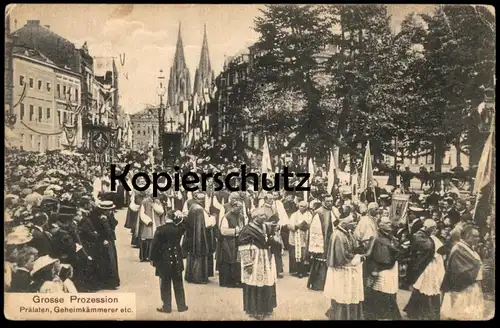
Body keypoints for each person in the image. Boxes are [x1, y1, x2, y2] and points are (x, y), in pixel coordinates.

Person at [238, 207, 278, 320]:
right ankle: (255, 310)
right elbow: (242, 246)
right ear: (255, 218)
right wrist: (247, 263)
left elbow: (268, 238)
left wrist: (273, 238)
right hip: (254, 260)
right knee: (254, 282)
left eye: (264, 215)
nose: (264, 217)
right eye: (262, 216)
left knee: (267, 281)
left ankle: (266, 308)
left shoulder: (264, 226)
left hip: (265, 257)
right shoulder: (247, 230)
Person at [324, 213, 365, 320]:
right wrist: (356, 258)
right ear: (344, 223)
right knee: (342, 295)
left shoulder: (347, 233)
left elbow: (352, 248)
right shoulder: (337, 235)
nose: (354, 225)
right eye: (352, 223)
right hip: (341, 269)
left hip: (349, 267)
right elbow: (340, 258)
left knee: (348, 294)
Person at [441, 225, 485, 320]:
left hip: (471, 287)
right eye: (476, 236)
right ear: (468, 237)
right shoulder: (458, 249)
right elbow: (460, 271)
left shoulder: (468, 248)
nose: (478, 239)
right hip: (463, 289)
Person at [403, 219, 445, 320]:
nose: (434, 231)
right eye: (432, 229)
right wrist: (433, 240)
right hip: (423, 265)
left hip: (429, 264)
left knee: (423, 287)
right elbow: (429, 246)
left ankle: (414, 310)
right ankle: (420, 312)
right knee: (425, 287)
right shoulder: (419, 235)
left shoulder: (427, 235)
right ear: (428, 228)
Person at [150, 209, 188, 314]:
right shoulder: (179, 229)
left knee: (165, 285)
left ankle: (166, 307)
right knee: (178, 284)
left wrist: (152, 259)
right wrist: (182, 218)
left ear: (166, 217)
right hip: (176, 260)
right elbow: (185, 224)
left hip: (163, 261)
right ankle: (182, 306)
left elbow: (154, 246)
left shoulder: (160, 229)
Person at [364, 216, 402, 320]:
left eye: (390, 222)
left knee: (391, 291)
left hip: (391, 267)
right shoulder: (375, 237)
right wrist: (374, 270)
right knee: (381, 292)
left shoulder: (391, 236)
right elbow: (369, 255)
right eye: (387, 223)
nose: (390, 224)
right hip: (381, 269)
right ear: (380, 225)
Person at [307, 195, 339, 291]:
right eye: (328, 201)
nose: (330, 203)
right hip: (322, 240)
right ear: (323, 201)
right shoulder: (319, 212)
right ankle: (318, 284)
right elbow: (314, 230)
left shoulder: (334, 210)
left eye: (331, 201)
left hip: (332, 239)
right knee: (320, 261)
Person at [184, 191, 217, 284]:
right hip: (201, 235)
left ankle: (191, 276)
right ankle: (199, 277)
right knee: (201, 254)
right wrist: (213, 219)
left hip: (193, 234)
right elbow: (207, 224)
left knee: (193, 254)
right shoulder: (200, 210)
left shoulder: (193, 207)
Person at [91, 200, 120, 290]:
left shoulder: (108, 217)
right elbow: (104, 230)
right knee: (107, 260)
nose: (110, 211)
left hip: (108, 240)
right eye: (109, 210)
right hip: (104, 241)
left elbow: (115, 223)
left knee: (110, 259)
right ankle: (108, 282)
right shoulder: (100, 218)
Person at [217, 200, 245, 287]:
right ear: (233, 207)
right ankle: (226, 282)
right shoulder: (226, 217)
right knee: (227, 261)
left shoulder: (241, 216)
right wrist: (235, 231)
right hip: (228, 242)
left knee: (236, 262)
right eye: (238, 208)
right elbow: (223, 231)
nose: (240, 210)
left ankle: (236, 281)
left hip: (237, 242)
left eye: (241, 208)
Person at [287, 201, 312, 278]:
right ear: (298, 206)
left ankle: (304, 270)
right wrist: (296, 226)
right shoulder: (294, 215)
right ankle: (297, 270)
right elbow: (289, 225)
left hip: (305, 236)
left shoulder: (309, 215)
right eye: (301, 206)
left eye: (304, 206)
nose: (302, 208)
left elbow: (311, 224)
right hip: (296, 237)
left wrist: (307, 226)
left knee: (305, 254)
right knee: (296, 254)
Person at [138, 194, 165, 262]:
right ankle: (144, 256)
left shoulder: (157, 202)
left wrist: (155, 205)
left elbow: (161, 212)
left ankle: (153, 256)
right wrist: (148, 220)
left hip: (156, 223)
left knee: (155, 238)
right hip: (148, 223)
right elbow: (142, 213)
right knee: (146, 239)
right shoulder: (144, 202)